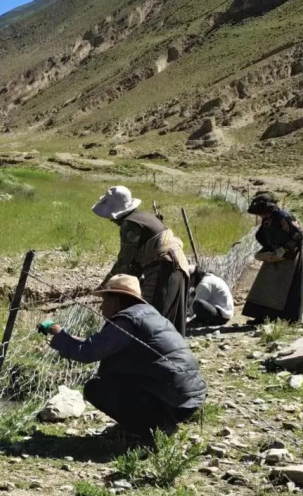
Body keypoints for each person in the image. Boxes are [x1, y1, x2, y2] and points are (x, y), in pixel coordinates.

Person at [38, 274, 206, 439]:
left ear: (116, 301)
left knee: (96, 389)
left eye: (104, 300)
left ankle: (153, 428)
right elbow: (99, 345)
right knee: (115, 378)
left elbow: (88, 352)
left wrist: (59, 334)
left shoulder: (126, 321)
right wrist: (64, 337)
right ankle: (145, 424)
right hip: (187, 397)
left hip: (173, 400)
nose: (101, 307)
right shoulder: (148, 316)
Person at [92, 185, 191, 336]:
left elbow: (124, 263)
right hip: (177, 265)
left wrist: (106, 286)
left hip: (164, 268)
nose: (111, 220)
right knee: (169, 316)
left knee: (154, 317)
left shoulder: (130, 224)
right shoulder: (143, 217)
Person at [241, 192, 303, 323]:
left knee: (286, 289)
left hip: (290, 257)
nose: (260, 216)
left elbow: (299, 237)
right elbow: (262, 236)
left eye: (261, 213)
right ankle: (263, 317)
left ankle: (287, 320)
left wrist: (284, 250)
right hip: (274, 255)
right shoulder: (267, 219)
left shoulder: (284, 217)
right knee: (265, 287)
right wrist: (267, 252)